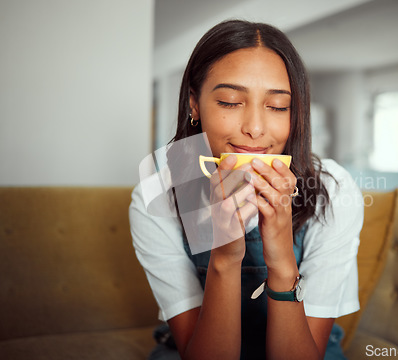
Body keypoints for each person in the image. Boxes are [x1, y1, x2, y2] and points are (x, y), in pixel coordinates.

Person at [130, 20, 363, 360]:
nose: (254, 128)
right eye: (229, 101)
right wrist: (225, 256)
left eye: (278, 106)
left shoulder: (332, 189)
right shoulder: (159, 191)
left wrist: (282, 261)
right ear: (194, 104)